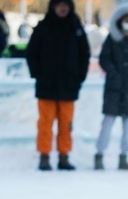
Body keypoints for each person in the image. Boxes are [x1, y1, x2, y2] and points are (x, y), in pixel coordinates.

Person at [26, 0, 91, 171]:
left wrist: (79, 78)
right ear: (53, 7)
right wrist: (38, 74)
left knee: (66, 124)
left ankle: (64, 156)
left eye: (65, 5)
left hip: (69, 85)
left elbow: (84, 54)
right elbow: (31, 52)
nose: (62, 8)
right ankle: (44, 156)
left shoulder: (76, 28)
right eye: (59, 4)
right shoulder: (43, 27)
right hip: (46, 85)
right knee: (45, 123)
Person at [94, 3, 128, 171]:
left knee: (127, 127)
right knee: (107, 124)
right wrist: (113, 73)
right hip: (113, 89)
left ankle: (124, 156)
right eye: (125, 20)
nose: (127, 23)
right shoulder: (112, 39)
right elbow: (104, 58)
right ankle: (99, 154)